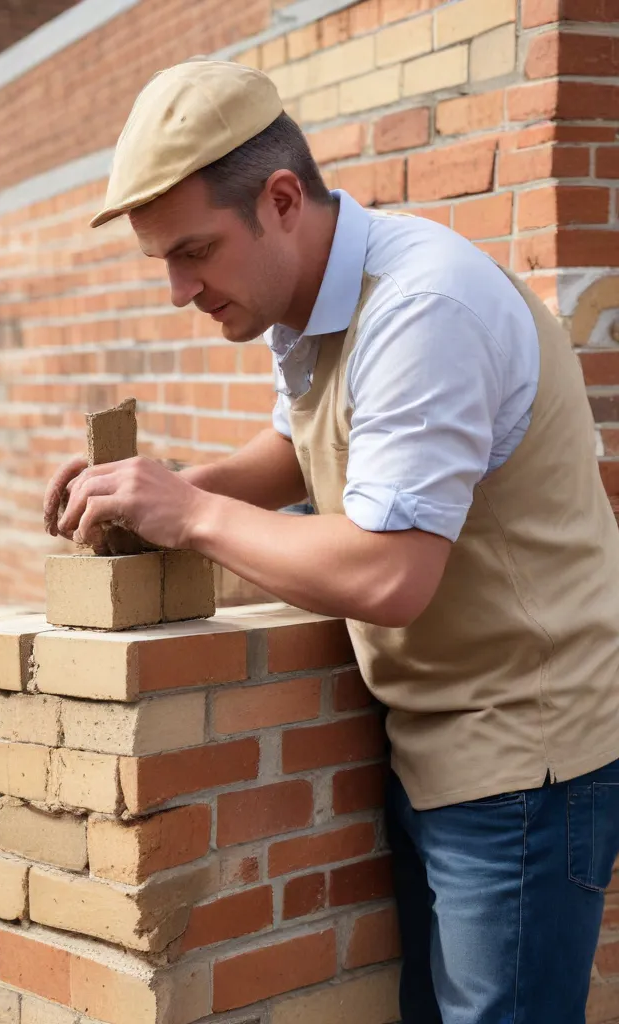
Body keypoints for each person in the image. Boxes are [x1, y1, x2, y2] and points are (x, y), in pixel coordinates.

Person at [42, 59, 619, 1024]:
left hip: (526, 756)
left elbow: (392, 574)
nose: (181, 289)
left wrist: (188, 517)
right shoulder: (303, 297)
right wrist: (169, 490)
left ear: (279, 200)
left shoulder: (421, 310)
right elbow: (300, 445)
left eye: (195, 252)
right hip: (440, 733)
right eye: (165, 263)